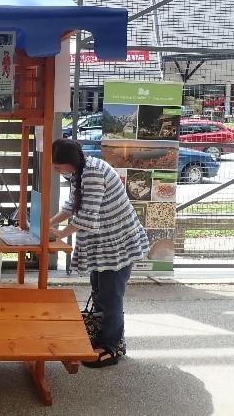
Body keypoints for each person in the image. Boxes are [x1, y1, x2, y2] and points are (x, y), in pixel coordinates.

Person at [48, 138, 149, 368]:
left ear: (69, 162)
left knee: (111, 297)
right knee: (100, 292)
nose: (56, 170)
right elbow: (72, 206)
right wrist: (48, 224)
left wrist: (60, 234)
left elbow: (86, 217)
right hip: (105, 244)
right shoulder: (80, 171)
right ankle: (104, 337)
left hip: (117, 243)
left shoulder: (92, 173)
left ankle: (111, 347)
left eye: (57, 166)